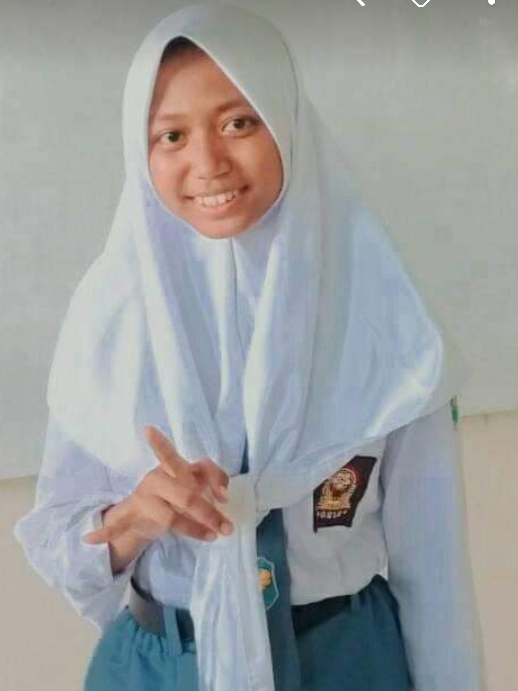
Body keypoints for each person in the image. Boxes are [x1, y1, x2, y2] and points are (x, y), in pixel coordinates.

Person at [13, 4, 487, 691]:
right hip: (163, 665)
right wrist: (135, 516)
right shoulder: (109, 326)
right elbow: (60, 540)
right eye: (172, 135)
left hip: (346, 661)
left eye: (239, 122)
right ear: (142, 152)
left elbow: (434, 571)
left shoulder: (389, 324)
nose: (207, 163)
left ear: (286, 120)